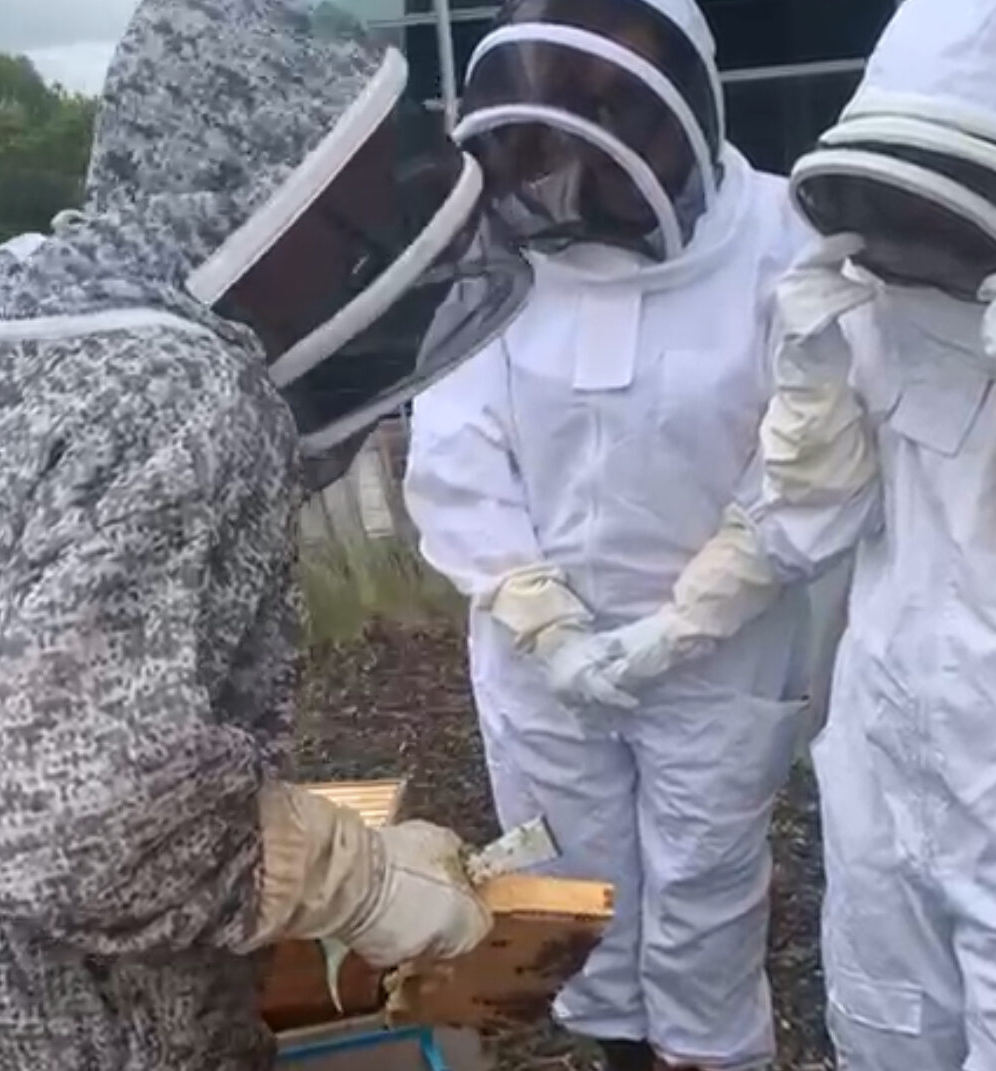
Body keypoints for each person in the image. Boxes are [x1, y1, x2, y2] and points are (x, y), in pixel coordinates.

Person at [0, 2, 534, 1069]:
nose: (361, 275)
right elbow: (63, 827)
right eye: (359, 228)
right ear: (273, 201)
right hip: (78, 1030)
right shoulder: (191, 389)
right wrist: (352, 874)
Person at [578, 1, 996, 1068]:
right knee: (885, 1024)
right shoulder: (883, 308)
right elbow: (803, 514)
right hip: (885, 746)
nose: (917, 239)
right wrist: (672, 630)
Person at [404, 2, 822, 1068]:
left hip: (721, 650)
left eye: (604, 139)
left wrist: (692, 618)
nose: (575, 194)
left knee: (706, 885)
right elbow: (455, 448)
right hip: (538, 652)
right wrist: (543, 622)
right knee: (572, 887)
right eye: (550, 152)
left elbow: (810, 453)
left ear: (673, 117)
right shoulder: (511, 242)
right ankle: (615, 1054)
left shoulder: (782, 242)